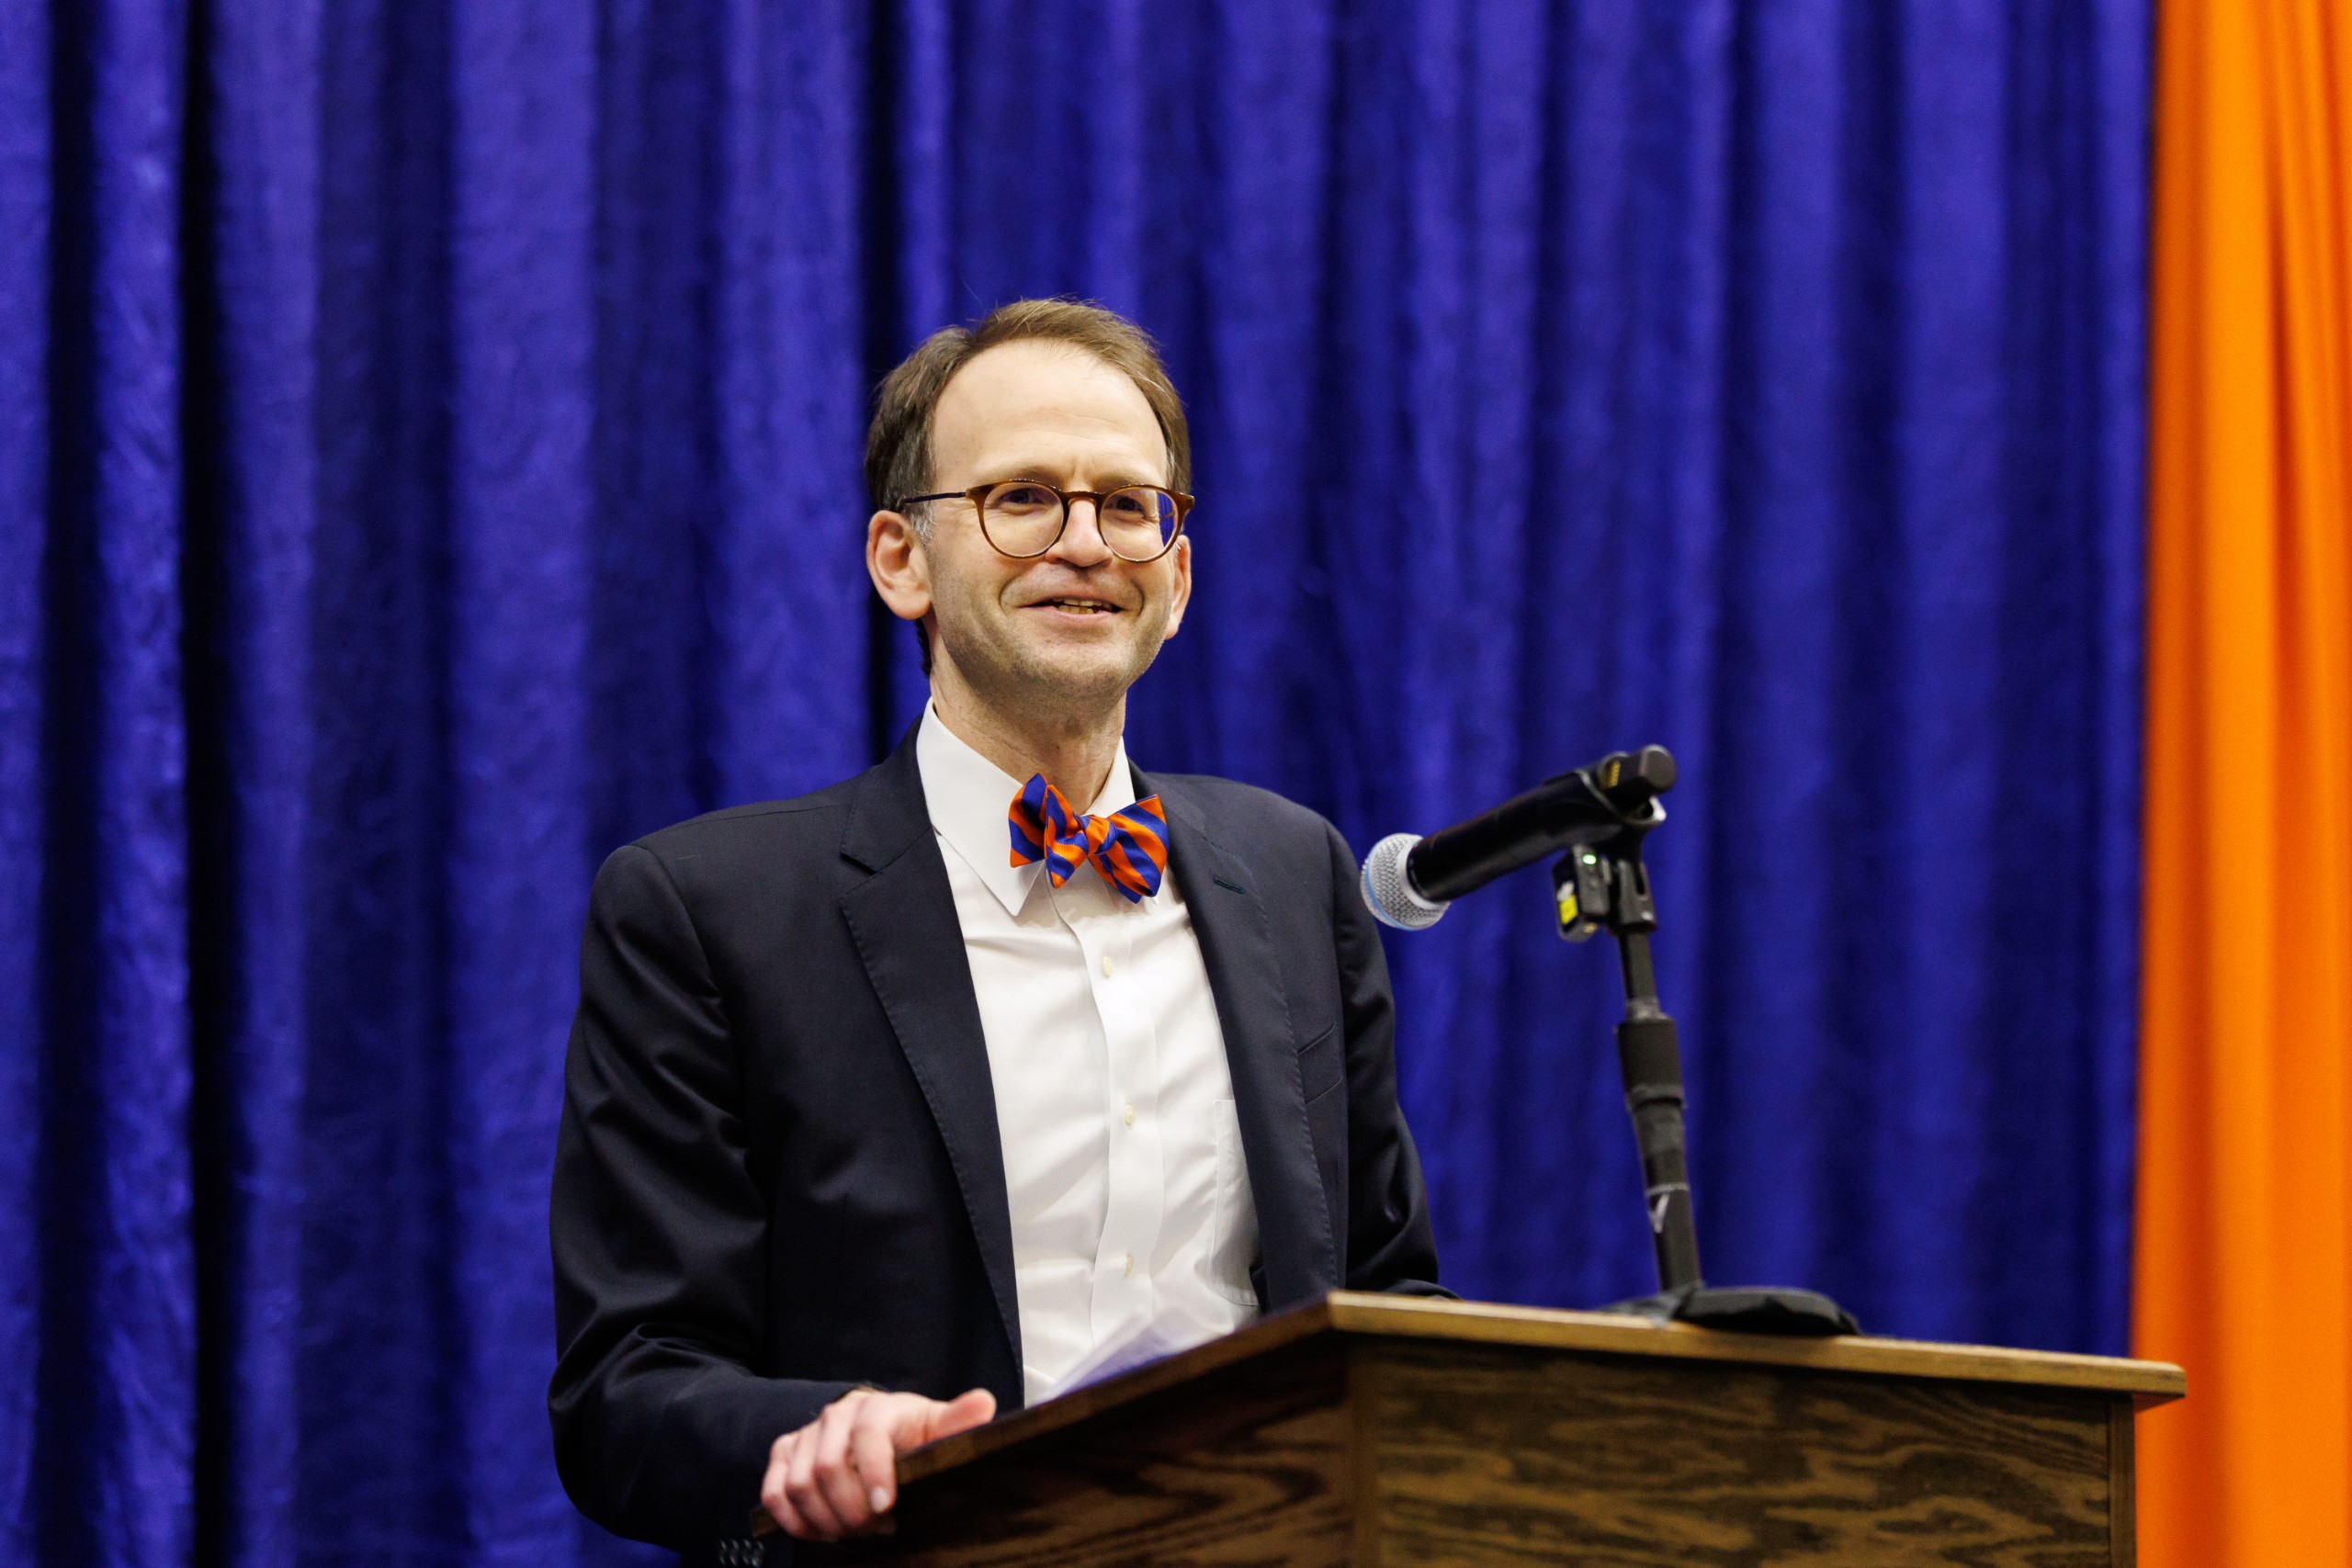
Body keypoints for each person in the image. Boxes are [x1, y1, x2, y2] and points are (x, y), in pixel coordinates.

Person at [548, 299, 1443, 1562]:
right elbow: (625, 1390)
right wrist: (816, 1433)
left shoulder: (1293, 873)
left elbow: (1386, 1306)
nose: (1085, 543)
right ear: (899, 561)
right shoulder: (706, 912)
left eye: (1129, 507)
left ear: (1177, 579)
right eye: (1022, 498)